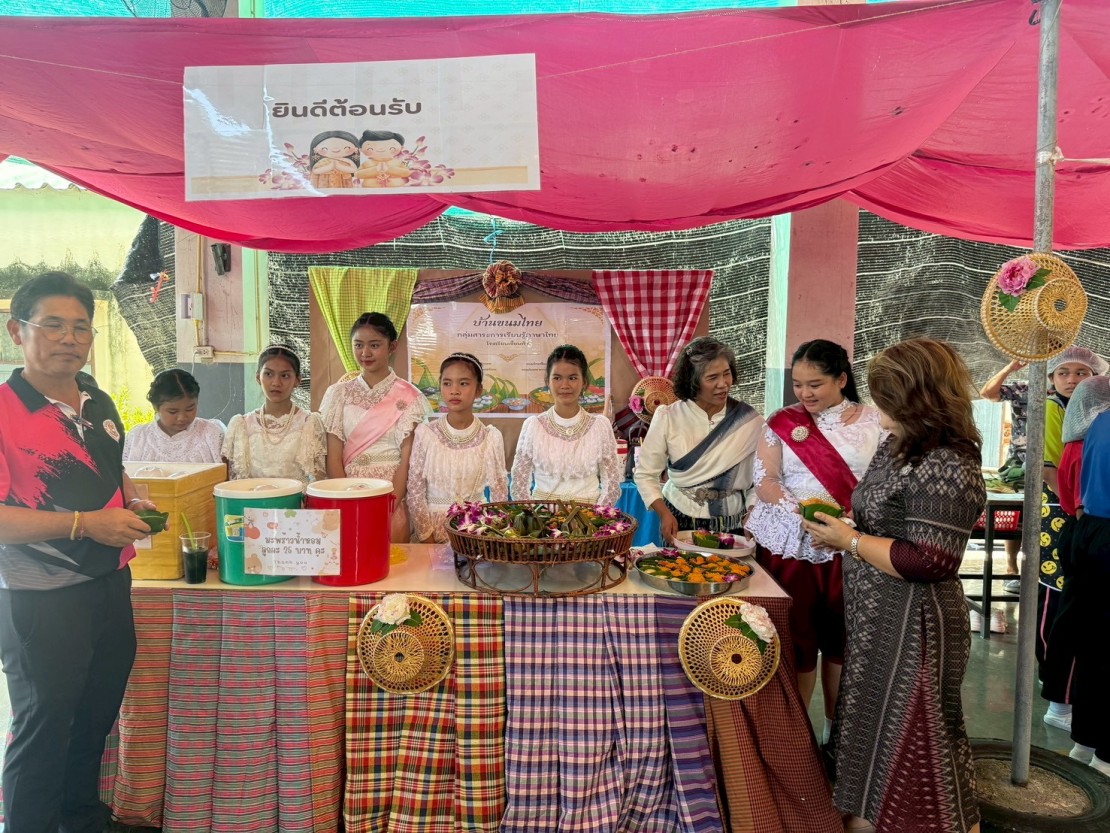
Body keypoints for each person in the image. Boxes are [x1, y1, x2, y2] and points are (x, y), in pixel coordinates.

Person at [804, 338, 985, 833]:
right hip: (878, 618)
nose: (875, 406)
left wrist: (850, 540)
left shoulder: (949, 462)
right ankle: (870, 818)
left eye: (886, 396)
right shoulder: (898, 444)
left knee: (918, 737)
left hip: (916, 623)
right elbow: (885, 521)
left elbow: (930, 559)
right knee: (873, 729)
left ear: (915, 398)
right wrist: (846, 529)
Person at [0, 272, 158, 833]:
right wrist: (85, 525)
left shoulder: (98, 398)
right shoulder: (4, 409)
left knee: (95, 716)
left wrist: (131, 496)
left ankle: (82, 818)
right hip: (41, 598)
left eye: (81, 327)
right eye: (53, 325)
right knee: (44, 725)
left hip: (111, 584)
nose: (69, 338)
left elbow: (113, 469)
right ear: (17, 330)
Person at [746, 339, 883, 745]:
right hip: (792, 546)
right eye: (798, 384)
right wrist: (806, 519)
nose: (804, 393)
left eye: (815, 384)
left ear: (841, 379)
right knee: (795, 639)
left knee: (844, 641)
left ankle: (836, 736)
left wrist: (844, 525)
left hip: (853, 544)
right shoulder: (781, 421)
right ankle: (797, 737)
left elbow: (883, 484)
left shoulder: (875, 421)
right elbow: (766, 479)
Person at [1035, 346, 1107, 732]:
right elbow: (1057, 477)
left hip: (1080, 523)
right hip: (1071, 520)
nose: (1073, 380)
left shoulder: (1085, 431)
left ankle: (1063, 701)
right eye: (1064, 373)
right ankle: (1060, 697)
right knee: (1061, 606)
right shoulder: (1057, 414)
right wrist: (1078, 512)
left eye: (1082, 373)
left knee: (1070, 611)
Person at [634, 336, 763, 543]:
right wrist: (663, 514)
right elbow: (645, 474)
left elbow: (760, 479)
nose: (723, 384)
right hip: (679, 517)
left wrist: (753, 511)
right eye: (712, 378)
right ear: (693, 381)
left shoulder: (749, 421)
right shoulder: (669, 417)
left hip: (734, 523)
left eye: (727, 374)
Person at [320, 313, 429, 542]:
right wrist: (346, 500)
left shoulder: (410, 397)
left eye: (374, 345)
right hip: (347, 493)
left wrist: (389, 505)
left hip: (392, 495)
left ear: (392, 347)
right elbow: (333, 456)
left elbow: (408, 459)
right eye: (358, 345)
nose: (365, 353)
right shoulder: (338, 394)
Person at [1054, 409, 1110, 775]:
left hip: (1090, 530)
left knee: (1093, 644)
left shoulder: (1100, 420)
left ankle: (1086, 743)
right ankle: (1105, 757)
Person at [407, 353, 508, 543]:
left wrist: (489, 537)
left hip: (477, 534)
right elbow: (415, 492)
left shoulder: (490, 438)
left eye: (463, 383)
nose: (454, 391)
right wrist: (427, 539)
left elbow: (499, 495)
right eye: (447, 383)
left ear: (478, 390)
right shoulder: (426, 434)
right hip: (432, 533)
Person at [511, 344, 621, 505]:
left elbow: (612, 484)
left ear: (584, 382)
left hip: (588, 516)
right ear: (547, 382)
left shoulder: (600, 426)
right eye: (557, 378)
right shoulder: (534, 426)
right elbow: (519, 484)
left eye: (572, 378)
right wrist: (533, 516)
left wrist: (596, 515)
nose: (565, 385)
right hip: (542, 517)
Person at [222, 345, 326, 485]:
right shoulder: (241, 425)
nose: (276, 383)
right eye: (269, 374)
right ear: (258, 377)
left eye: (285, 376)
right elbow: (232, 482)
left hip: (297, 498)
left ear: (297, 380)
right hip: (251, 497)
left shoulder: (309, 423)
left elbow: (318, 480)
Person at [979, 359, 1029, 583]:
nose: (1071, 378)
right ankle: (1011, 568)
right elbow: (987, 393)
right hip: (1020, 465)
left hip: (1058, 462)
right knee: (1017, 519)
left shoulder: (1078, 393)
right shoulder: (1023, 389)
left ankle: (1038, 572)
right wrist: (1010, 368)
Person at [123, 368, 226, 464]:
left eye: (189, 409)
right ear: (156, 407)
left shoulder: (211, 433)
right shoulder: (139, 437)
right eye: (172, 412)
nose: (182, 417)